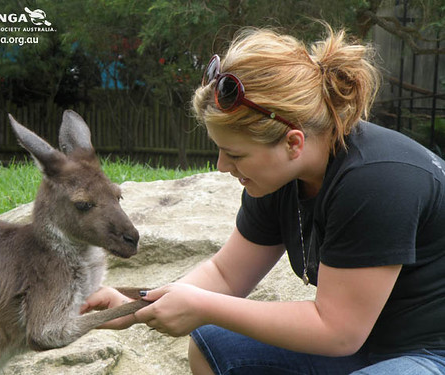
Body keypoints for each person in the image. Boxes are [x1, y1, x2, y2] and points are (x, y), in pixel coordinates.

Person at [81, 25, 445, 374]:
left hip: (432, 352)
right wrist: (132, 306)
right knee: (216, 346)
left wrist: (205, 307)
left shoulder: (377, 180)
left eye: (235, 155)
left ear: (293, 143)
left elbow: (337, 331)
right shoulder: (280, 179)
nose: (223, 166)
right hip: (369, 344)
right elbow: (225, 275)